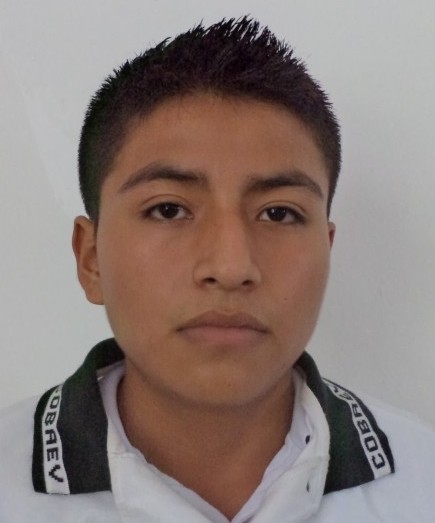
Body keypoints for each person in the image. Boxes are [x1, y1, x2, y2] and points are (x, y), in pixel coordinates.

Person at [0, 16, 434, 523]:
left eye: (279, 213)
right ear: (90, 258)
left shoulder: (422, 483)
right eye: (168, 209)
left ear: (327, 248)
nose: (230, 268)